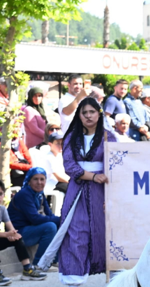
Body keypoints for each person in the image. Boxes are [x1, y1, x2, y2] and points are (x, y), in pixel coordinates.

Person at [50, 97, 115, 285]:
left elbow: (115, 165)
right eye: (84, 112)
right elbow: (69, 166)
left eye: (92, 112)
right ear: (78, 115)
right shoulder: (72, 137)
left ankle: (114, 277)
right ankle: (74, 279)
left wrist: (109, 191)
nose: (88, 116)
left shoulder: (109, 137)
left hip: (103, 191)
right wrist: (92, 176)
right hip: (76, 190)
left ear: (99, 114)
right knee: (76, 232)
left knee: (104, 231)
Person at [0, 179, 46, 283]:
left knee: (18, 238)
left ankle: (27, 269)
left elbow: (11, 228)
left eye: (0, 194)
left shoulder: (2, 209)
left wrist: (13, 234)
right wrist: (6, 234)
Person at [9, 167, 61, 268]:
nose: (39, 182)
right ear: (29, 181)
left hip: (30, 229)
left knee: (60, 224)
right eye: (35, 179)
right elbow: (35, 218)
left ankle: (54, 260)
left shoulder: (39, 194)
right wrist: (59, 219)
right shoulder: (24, 194)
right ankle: (38, 263)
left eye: (42, 179)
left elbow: (49, 214)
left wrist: (61, 220)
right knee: (50, 226)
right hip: (18, 233)